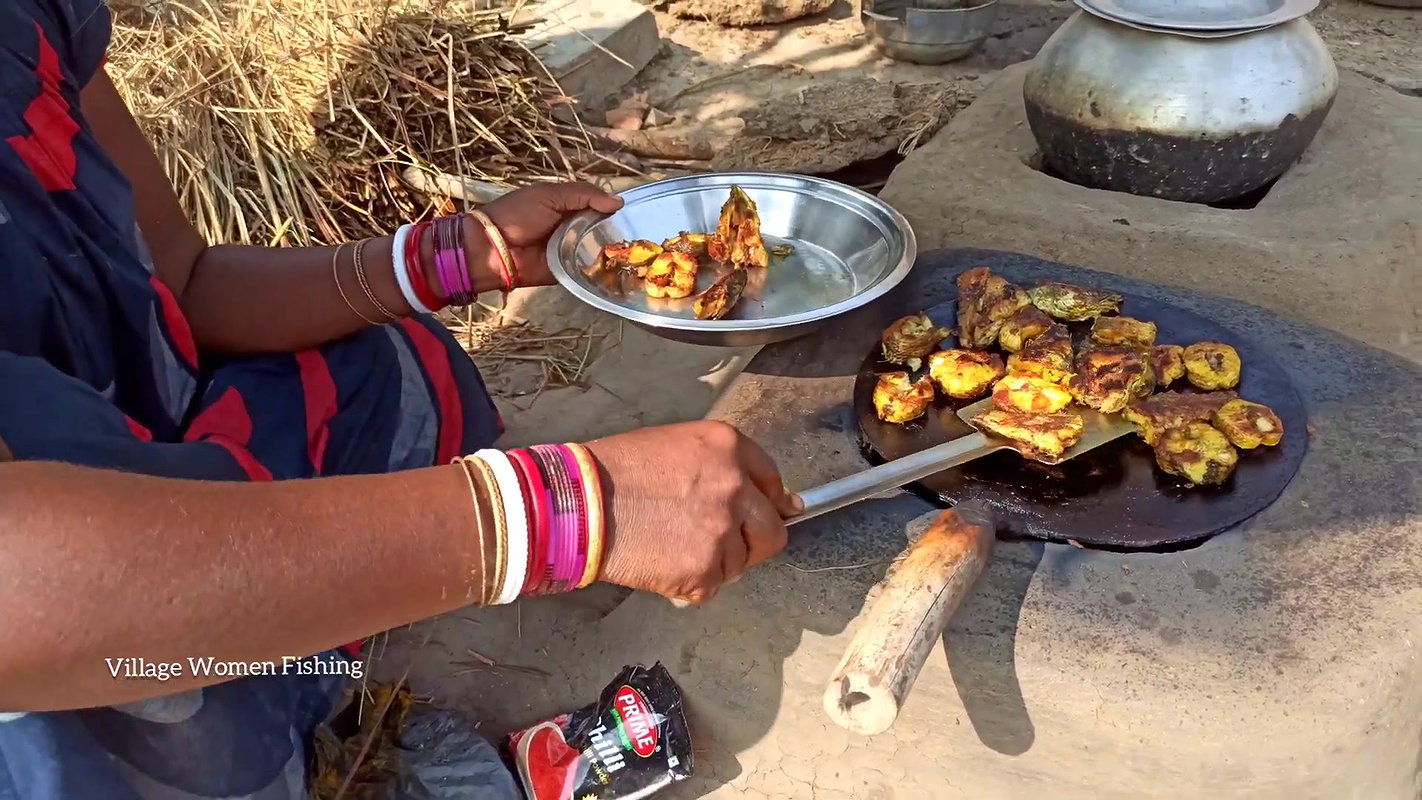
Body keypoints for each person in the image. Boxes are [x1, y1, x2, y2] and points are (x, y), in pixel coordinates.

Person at [0, 1, 800, 795]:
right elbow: (19, 588)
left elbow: (185, 280)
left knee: (391, 363)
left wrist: (444, 259)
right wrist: (558, 514)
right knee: (147, 700)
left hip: (143, 437)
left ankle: (278, 621)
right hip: (60, 599)